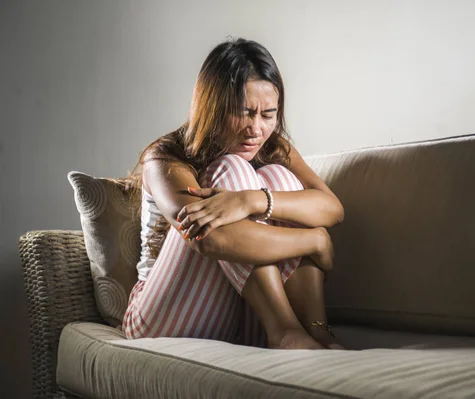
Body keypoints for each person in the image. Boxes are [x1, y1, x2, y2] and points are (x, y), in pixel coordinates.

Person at [122, 38, 345, 350]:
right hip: (159, 317)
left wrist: (250, 201)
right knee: (231, 169)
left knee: (277, 177)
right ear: (212, 108)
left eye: (268, 114)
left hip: (234, 313)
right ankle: (286, 332)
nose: (256, 128)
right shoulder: (163, 157)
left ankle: (316, 332)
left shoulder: (273, 148)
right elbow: (209, 238)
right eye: (244, 112)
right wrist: (315, 240)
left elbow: (331, 207)